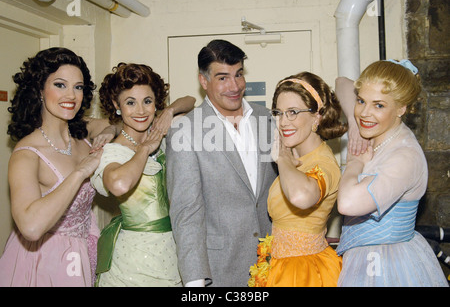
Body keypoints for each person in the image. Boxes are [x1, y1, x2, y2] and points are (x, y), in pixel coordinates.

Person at [0, 47, 117, 287]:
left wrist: (110, 130)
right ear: (40, 90)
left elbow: (124, 121)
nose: (71, 95)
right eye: (60, 85)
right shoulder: (27, 154)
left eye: (78, 87)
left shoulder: (81, 131)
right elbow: (31, 228)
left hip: (83, 249)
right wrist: (80, 172)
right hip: (45, 261)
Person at [165, 39, 278, 287]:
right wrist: (195, 283)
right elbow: (187, 214)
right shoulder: (185, 131)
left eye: (238, 74)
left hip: (275, 266)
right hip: (220, 272)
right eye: (223, 78)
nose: (235, 86)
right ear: (203, 81)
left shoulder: (268, 119)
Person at [335, 59, 448, 287]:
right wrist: (353, 123)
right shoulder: (380, 136)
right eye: (361, 101)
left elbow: (347, 204)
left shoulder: (405, 156)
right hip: (363, 259)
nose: (364, 113)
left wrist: (355, 163)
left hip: (389, 266)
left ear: (402, 108)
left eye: (379, 105)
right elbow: (342, 83)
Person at [90, 62, 195, 286]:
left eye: (147, 101)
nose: (141, 110)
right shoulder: (113, 151)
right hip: (134, 259)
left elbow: (191, 101)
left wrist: (169, 111)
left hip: (172, 249)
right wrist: (145, 148)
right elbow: (119, 184)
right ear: (116, 105)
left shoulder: (158, 131)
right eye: (130, 102)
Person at [248, 72, 347, 287]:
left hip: (305, 274)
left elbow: (301, 196)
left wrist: (282, 158)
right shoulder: (299, 157)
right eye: (279, 113)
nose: (283, 122)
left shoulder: (324, 162)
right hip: (279, 267)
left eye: (293, 112)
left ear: (317, 116)